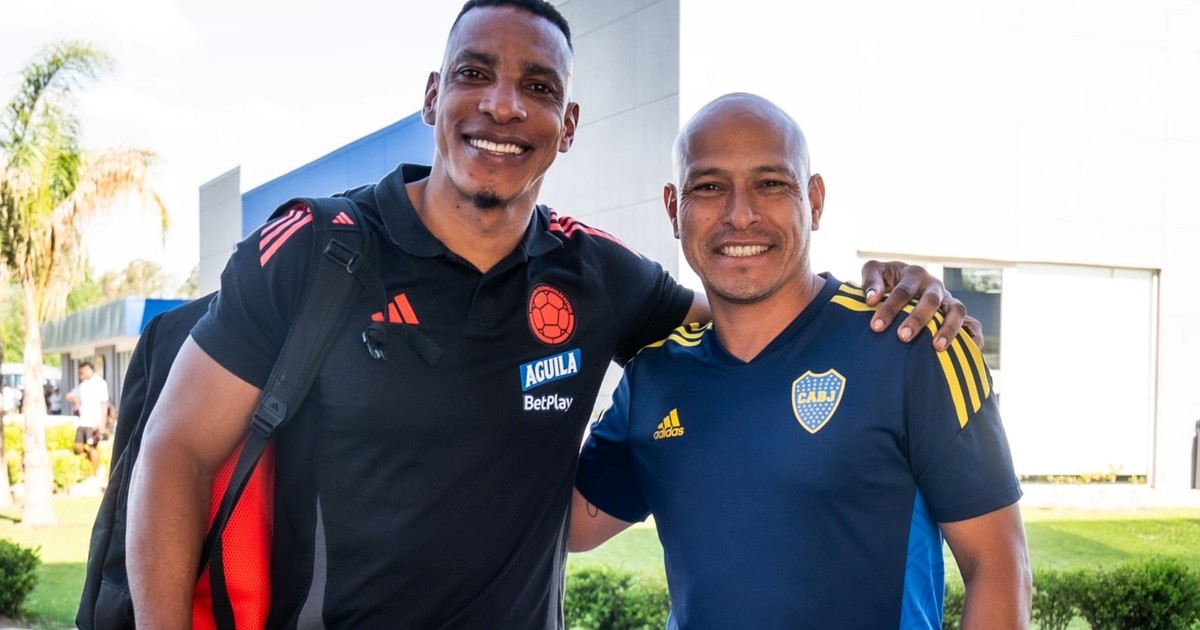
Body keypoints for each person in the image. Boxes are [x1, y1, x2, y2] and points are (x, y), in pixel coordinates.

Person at [127, 2, 976, 627]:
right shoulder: (314, 250)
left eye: (537, 87)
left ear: (567, 126)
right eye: (475, 74)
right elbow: (176, 451)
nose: (503, 105)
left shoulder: (597, 275)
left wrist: (889, 294)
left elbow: (750, 314)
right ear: (433, 97)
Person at [569, 93, 1031, 628]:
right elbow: (568, 527)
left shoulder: (913, 346)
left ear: (814, 200)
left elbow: (1000, 568)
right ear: (675, 209)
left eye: (770, 183)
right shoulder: (654, 377)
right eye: (710, 187)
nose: (740, 214)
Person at [67, 361, 109, 480]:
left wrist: (102, 424)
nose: (80, 375)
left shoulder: (100, 383)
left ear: (89, 370)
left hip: (94, 422)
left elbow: (104, 405)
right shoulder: (83, 385)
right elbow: (69, 395)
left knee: (92, 447)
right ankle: (92, 465)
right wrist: (75, 399)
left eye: (82, 372)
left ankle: (96, 473)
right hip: (83, 421)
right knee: (78, 446)